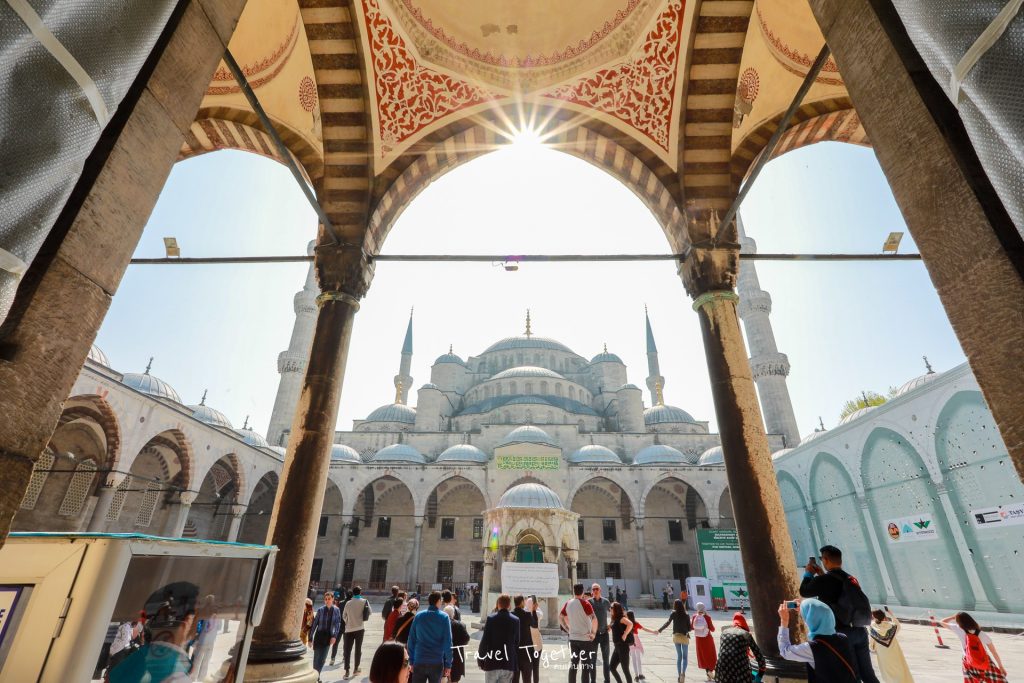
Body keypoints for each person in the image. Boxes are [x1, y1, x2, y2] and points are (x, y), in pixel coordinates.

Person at [799, 545, 880, 683]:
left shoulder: (824, 580)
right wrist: (821, 576)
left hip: (841, 634)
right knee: (868, 673)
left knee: (852, 674)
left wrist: (808, 574)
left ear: (825, 560)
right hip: (859, 630)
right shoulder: (850, 578)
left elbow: (804, 591)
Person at [778, 598, 856, 682]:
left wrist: (784, 621)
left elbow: (784, 651)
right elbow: (821, 619)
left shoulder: (813, 648)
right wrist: (805, 605)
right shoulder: (843, 638)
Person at [940, 612, 1008, 683]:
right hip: (984, 660)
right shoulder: (981, 634)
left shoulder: (958, 629)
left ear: (959, 623)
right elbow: (994, 652)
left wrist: (952, 617)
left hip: (968, 661)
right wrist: (1000, 666)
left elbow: (942, 622)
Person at [407, 591, 453, 683]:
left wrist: (411, 661)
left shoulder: (419, 616)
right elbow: (448, 642)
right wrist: (448, 664)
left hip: (419, 659)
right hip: (436, 661)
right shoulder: (444, 617)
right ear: (439, 601)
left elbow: (411, 640)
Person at [560, 583, 598, 683]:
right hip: (585, 639)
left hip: (573, 639)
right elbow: (594, 619)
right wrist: (593, 633)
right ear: (582, 591)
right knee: (585, 667)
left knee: (573, 665)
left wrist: (568, 629)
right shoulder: (585, 603)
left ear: (574, 591)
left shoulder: (568, 603)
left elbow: (561, 616)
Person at [478, 593, 520, 683]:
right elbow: (516, 642)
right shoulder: (515, 620)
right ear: (509, 605)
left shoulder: (491, 619)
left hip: (492, 661)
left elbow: (485, 641)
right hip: (508, 663)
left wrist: (480, 658)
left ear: (498, 604)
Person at [714, 612, 765, 683]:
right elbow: (759, 655)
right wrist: (760, 674)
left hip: (722, 670)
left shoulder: (724, 633)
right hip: (740, 670)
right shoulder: (746, 634)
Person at [868, 608, 914, 683]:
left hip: (882, 654)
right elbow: (898, 625)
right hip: (894, 652)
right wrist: (891, 614)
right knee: (899, 669)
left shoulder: (872, 627)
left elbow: (871, 645)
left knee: (887, 673)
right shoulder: (891, 626)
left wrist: (873, 649)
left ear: (874, 617)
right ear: (884, 616)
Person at [310, 591, 342, 681]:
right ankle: (316, 677)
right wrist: (310, 637)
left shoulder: (336, 610)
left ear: (333, 599)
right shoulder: (320, 610)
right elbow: (314, 624)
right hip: (319, 636)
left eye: (329, 599)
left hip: (328, 637)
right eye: (326, 599)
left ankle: (316, 675)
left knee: (323, 659)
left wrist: (334, 636)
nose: (327, 601)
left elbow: (338, 624)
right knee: (316, 658)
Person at [658, 599, 692, 683]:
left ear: (675, 605)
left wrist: (660, 630)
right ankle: (683, 674)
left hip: (676, 636)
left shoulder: (673, 613)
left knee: (679, 657)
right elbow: (690, 628)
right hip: (684, 636)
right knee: (685, 657)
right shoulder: (686, 614)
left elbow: (668, 623)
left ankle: (678, 675)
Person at [342, 586, 371, 677]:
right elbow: (369, 612)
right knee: (358, 649)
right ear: (360, 592)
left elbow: (344, 616)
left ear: (353, 593)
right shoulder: (364, 601)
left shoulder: (348, 603)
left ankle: (347, 671)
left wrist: (348, 622)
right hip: (359, 629)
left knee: (347, 650)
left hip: (349, 629)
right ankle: (356, 669)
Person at [589, 584, 612, 683]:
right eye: (593, 589)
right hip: (593, 635)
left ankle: (607, 680)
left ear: (600, 590)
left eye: (597, 589)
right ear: (592, 591)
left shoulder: (606, 602)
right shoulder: (588, 602)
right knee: (592, 660)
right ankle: (593, 681)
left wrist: (610, 624)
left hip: (604, 634)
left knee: (606, 660)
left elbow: (613, 613)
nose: (595, 591)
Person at [626, 610, 657, 682]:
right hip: (636, 640)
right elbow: (644, 629)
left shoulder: (626, 623)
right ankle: (640, 674)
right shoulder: (636, 623)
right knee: (638, 658)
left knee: (633, 659)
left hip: (630, 641)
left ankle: (636, 675)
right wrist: (653, 631)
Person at [608, 602, 634, 683]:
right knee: (612, 667)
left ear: (616, 609)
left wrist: (625, 634)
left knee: (625, 670)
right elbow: (612, 626)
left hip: (623, 647)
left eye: (611, 607)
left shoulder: (621, 618)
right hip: (617, 647)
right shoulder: (614, 618)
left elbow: (630, 624)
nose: (610, 609)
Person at [512, 595, 535, 683]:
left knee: (514, 680)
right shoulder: (527, 615)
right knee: (527, 680)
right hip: (526, 653)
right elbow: (534, 624)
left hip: (514, 653)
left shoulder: (511, 615)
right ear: (522, 602)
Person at [690, 603, 716, 680]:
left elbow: (692, 627)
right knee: (710, 655)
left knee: (703, 656)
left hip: (699, 639)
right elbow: (712, 629)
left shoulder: (695, 616)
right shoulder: (707, 617)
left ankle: (707, 673)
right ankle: (710, 671)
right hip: (707, 638)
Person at [525, 597, 544, 683]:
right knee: (535, 668)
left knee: (528, 668)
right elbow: (539, 612)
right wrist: (535, 606)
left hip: (527, 644)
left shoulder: (524, 613)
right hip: (537, 644)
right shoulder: (538, 613)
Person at [450, 607, 472, 683]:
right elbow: (466, 638)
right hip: (457, 655)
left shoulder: (440, 624)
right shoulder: (460, 625)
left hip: (443, 656)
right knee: (455, 678)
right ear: (453, 614)